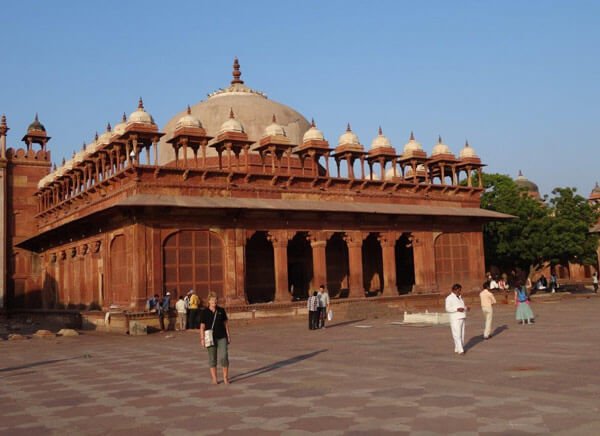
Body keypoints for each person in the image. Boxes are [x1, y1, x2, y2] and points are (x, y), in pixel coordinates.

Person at [200, 293, 231, 385]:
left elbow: (225, 324)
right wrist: (202, 339)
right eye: (213, 300)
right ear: (209, 301)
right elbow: (202, 326)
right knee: (212, 358)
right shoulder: (204, 312)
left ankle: (225, 377)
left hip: (222, 336)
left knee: (224, 356)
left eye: (216, 300)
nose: (214, 302)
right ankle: (214, 378)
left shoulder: (221, 310)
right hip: (210, 338)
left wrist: (228, 336)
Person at [445, 283, 468, 355]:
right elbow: (448, 309)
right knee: (457, 334)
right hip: (455, 318)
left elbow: (462, 306)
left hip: (462, 316)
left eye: (460, 290)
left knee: (462, 334)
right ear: (454, 290)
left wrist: (466, 308)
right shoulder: (449, 298)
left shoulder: (460, 297)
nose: (460, 291)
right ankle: (460, 350)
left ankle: (457, 348)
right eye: (458, 290)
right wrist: (456, 309)